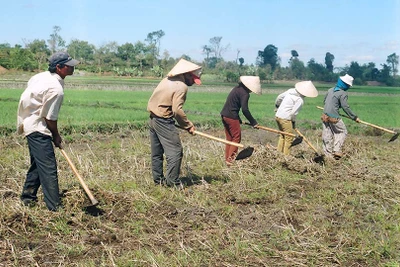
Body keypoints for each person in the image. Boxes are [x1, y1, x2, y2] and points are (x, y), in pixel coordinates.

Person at [17, 51, 79, 211]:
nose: (72, 67)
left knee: (38, 164)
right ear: (59, 67)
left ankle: (27, 198)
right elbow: (50, 118)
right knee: (49, 168)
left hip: (30, 123)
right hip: (38, 128)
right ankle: (54, 207)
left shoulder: (42, 76)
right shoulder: (56, 90)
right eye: (68, 65)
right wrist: (56, 136)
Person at [147, 58, 202, 187]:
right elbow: (177, 110)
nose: (193, 83)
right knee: (175, 151)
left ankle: (158, 180)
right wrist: (188, 125)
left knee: (157, 152)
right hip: (163, 120)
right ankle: (173, 183)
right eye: (192, 80)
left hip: (153, 118)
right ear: (187, 74)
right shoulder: (181, 86)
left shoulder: (167, 80)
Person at [220, 76, 261, 166]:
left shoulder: (237, 89)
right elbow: (245, 110)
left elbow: (233, 104)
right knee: (236, 138)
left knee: (230, 139)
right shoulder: (245, 94)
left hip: (224, 115)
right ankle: (230, 161)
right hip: (231, 117)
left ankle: (227, 161)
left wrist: (238, 118)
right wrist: (253, 122)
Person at [321, 74, 360, 159]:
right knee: (342, 131)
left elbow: (325, 101)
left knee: (327, 134)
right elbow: (345, 107)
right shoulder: (343, 93)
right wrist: (354, 117)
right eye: (348, 85)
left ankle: (327, 155)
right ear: (345, 85)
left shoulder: (330, 90)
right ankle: (336, 150)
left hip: (324, 115)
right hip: (334, 117)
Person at [275, 81, 318, 155]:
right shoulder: (299, 100)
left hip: (278, 116)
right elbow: (293, 113)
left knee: (282, 135)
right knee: (289, 138)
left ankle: (278, 154)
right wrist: (293, 122)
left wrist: (277, 106)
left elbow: (279, 97)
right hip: (285, 119)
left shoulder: (290, 91)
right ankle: (286, 157)